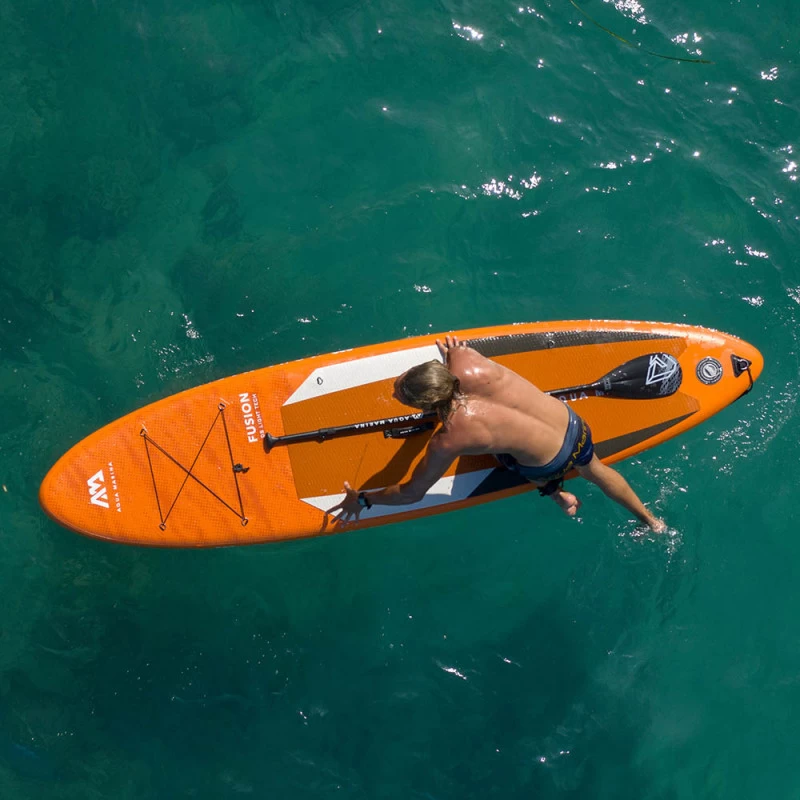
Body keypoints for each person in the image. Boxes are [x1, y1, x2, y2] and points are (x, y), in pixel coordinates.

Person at [329, 335, 666, 532]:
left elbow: (412, 493)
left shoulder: (451, 437)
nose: (394, 393)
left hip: (548, 463)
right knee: (596, 470)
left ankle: (558, 495)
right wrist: (450, 357)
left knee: (510, 455)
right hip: (574, 425)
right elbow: (455, 354)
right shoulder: (464, 356)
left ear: (429, 404)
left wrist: (364, 498)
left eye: (402, 394)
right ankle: (652, 521)